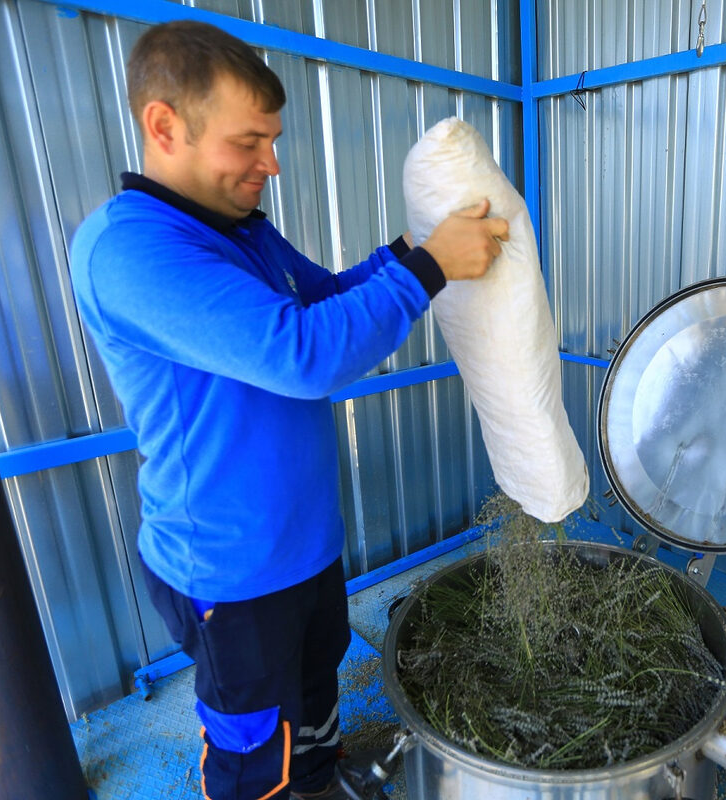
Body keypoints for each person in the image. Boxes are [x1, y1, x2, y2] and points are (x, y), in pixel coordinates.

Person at [69, 19, 508, 800]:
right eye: (248, 142)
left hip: (301, 545)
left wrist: (408, 252)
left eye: (272, 139)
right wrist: (432, 269)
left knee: (310, 706)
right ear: (164, 125)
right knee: (252, 750)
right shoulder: (132, 250)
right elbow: (303, 354)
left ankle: (316, 780)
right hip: (232, 571)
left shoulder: (240, 231)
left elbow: (326, 297)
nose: (270, 163)